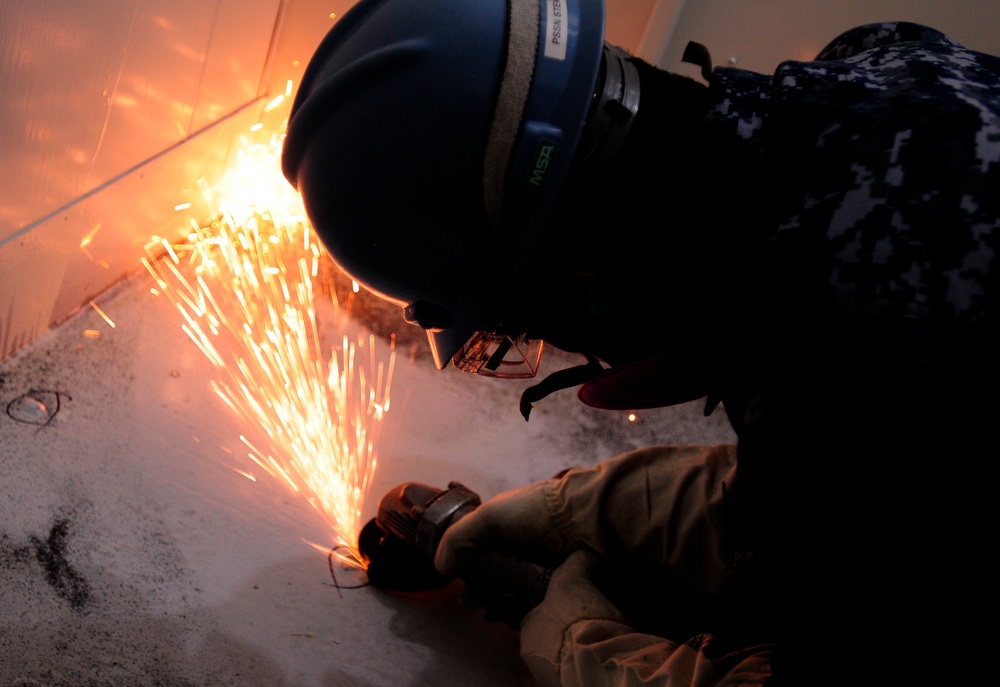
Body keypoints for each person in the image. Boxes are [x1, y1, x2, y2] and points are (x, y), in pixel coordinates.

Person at [281, 1, 999, 685]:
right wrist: (618, 509)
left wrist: (587, 656)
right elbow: (904, 480)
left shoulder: (837, 347)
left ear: (586, 277)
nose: (590, 356)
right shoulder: (889, 65)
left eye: (542, 331)